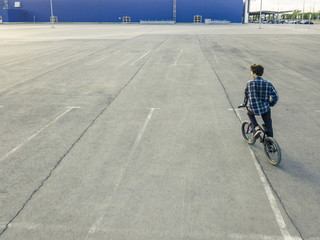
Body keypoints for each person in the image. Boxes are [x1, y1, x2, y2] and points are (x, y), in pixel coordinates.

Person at [239, 64, 279, 138]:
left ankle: (257, 128)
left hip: (253, 108)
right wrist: (270, 104)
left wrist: (244, 104)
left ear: (254, 73)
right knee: (268, 124)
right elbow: (275, 97)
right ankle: (270, 144)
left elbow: (246, 96)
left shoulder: (249, 83)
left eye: (251, 71)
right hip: (265, 108)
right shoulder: (268, 84)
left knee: (249, 114)